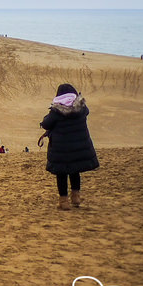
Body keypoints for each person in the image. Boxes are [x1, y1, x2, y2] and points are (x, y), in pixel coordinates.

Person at [40, 83, 99, 211]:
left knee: (61, 174)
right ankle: (76, 198)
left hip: (61, 149)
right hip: (77, 147)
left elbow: (46, 123)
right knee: (75, 171)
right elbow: (86, 112)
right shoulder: (82, 109)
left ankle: (64, 202)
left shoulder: (56, 111)